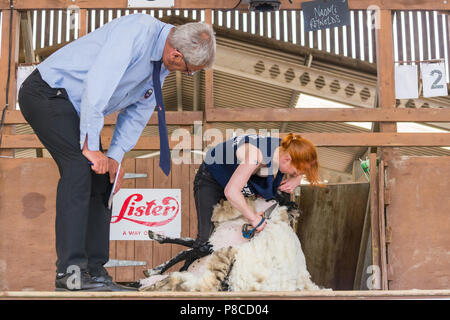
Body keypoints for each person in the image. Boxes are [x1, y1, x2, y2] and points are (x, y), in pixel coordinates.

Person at [18, 14, 216, 291]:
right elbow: (97, 86)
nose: (188, 74)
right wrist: (90, 146)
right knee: (78, 167)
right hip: (48, 93)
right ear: (175, 54)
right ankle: (70, 273)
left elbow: (137, 113)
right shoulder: (137, 31)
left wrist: (114, 158)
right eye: (189, 69)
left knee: (104, 176)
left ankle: (95, 272)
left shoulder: (162, 68)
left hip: (77, 108)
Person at [190, 133, 320, 262]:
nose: (291, 175)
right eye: (294, 173)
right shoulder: (255, 156)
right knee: (205, 240)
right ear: (287, 159)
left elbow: (307, 160)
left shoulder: (288, 147)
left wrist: (297, 179)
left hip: (241, 177)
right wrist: (253, 218)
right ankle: (187, 275)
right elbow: (231, 191)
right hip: (212, 177)